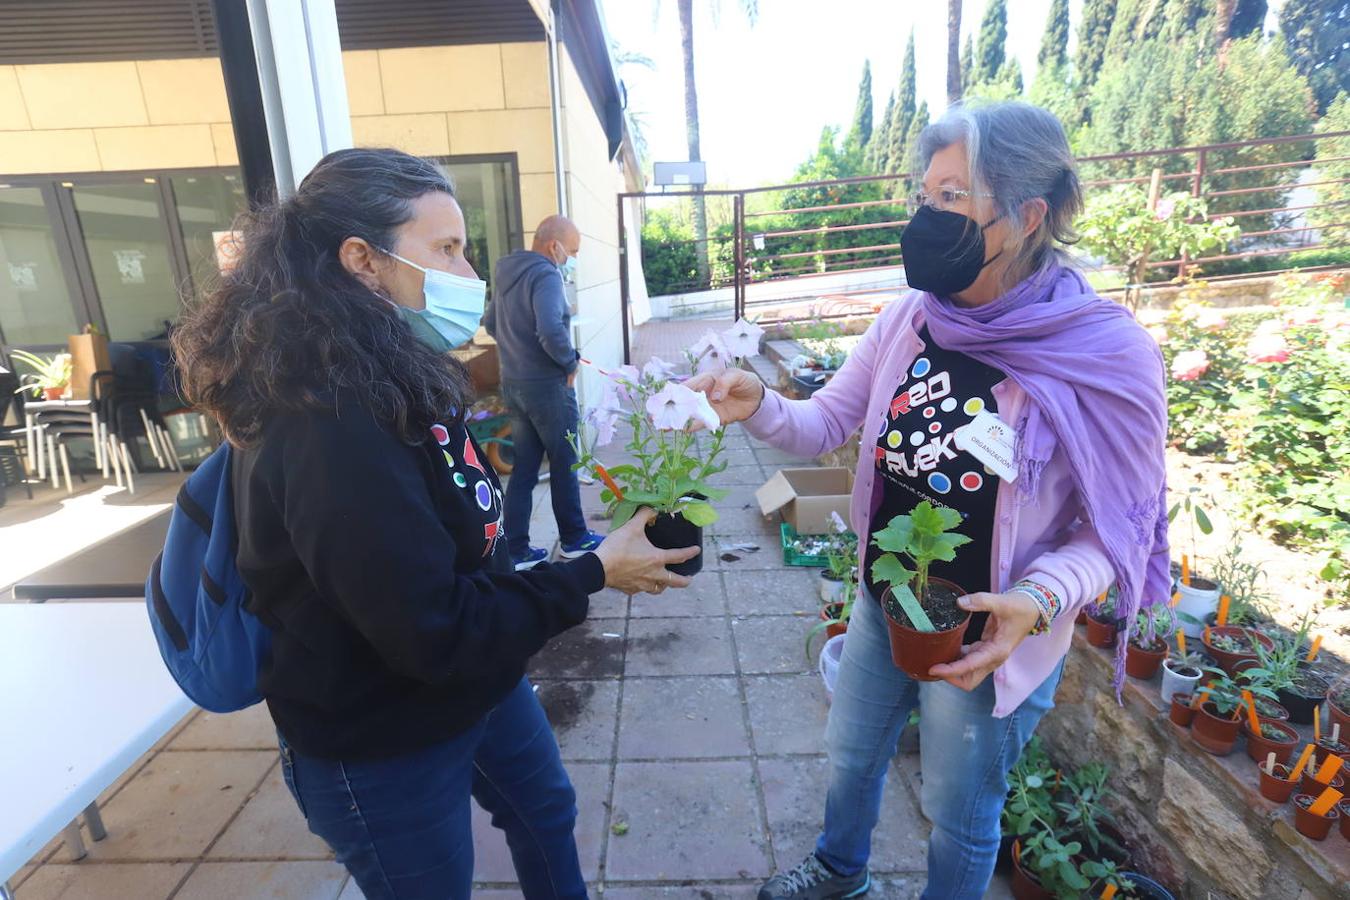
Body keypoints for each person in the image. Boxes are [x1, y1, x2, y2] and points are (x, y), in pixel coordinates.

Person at [171, 147, 697, 900]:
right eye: (446, 248)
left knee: (544, 811)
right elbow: (435, 628)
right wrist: (592, 571)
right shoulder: (328, 423)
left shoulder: (394, 366)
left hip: (471, 686)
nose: (468, 270)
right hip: (379, 736)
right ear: (362, 260)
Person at [688, 102, 1169, 900]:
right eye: (926, 193)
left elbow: (1120, 527)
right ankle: (842, 874)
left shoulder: (1104, 352)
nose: (926, 214)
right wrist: (759, 403)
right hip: (887, 598)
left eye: (953, 195)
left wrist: (1036, 598)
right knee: (851, 752)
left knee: (958, 808)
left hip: (988, 634)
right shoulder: (912, 318)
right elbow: (827, 422)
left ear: (1025, 216)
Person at [484, 215, 603, 571]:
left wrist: (517, 353)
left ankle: (516, 550)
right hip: (548, 388)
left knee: (525, 468)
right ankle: (574, 540)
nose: (573, 258)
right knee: (566, 462)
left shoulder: (507, 273)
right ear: (554, 246)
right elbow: (550, 328)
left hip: (515, 385)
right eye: (573, 250)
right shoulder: (546, 273)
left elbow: (491, 323)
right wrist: (569, 363)